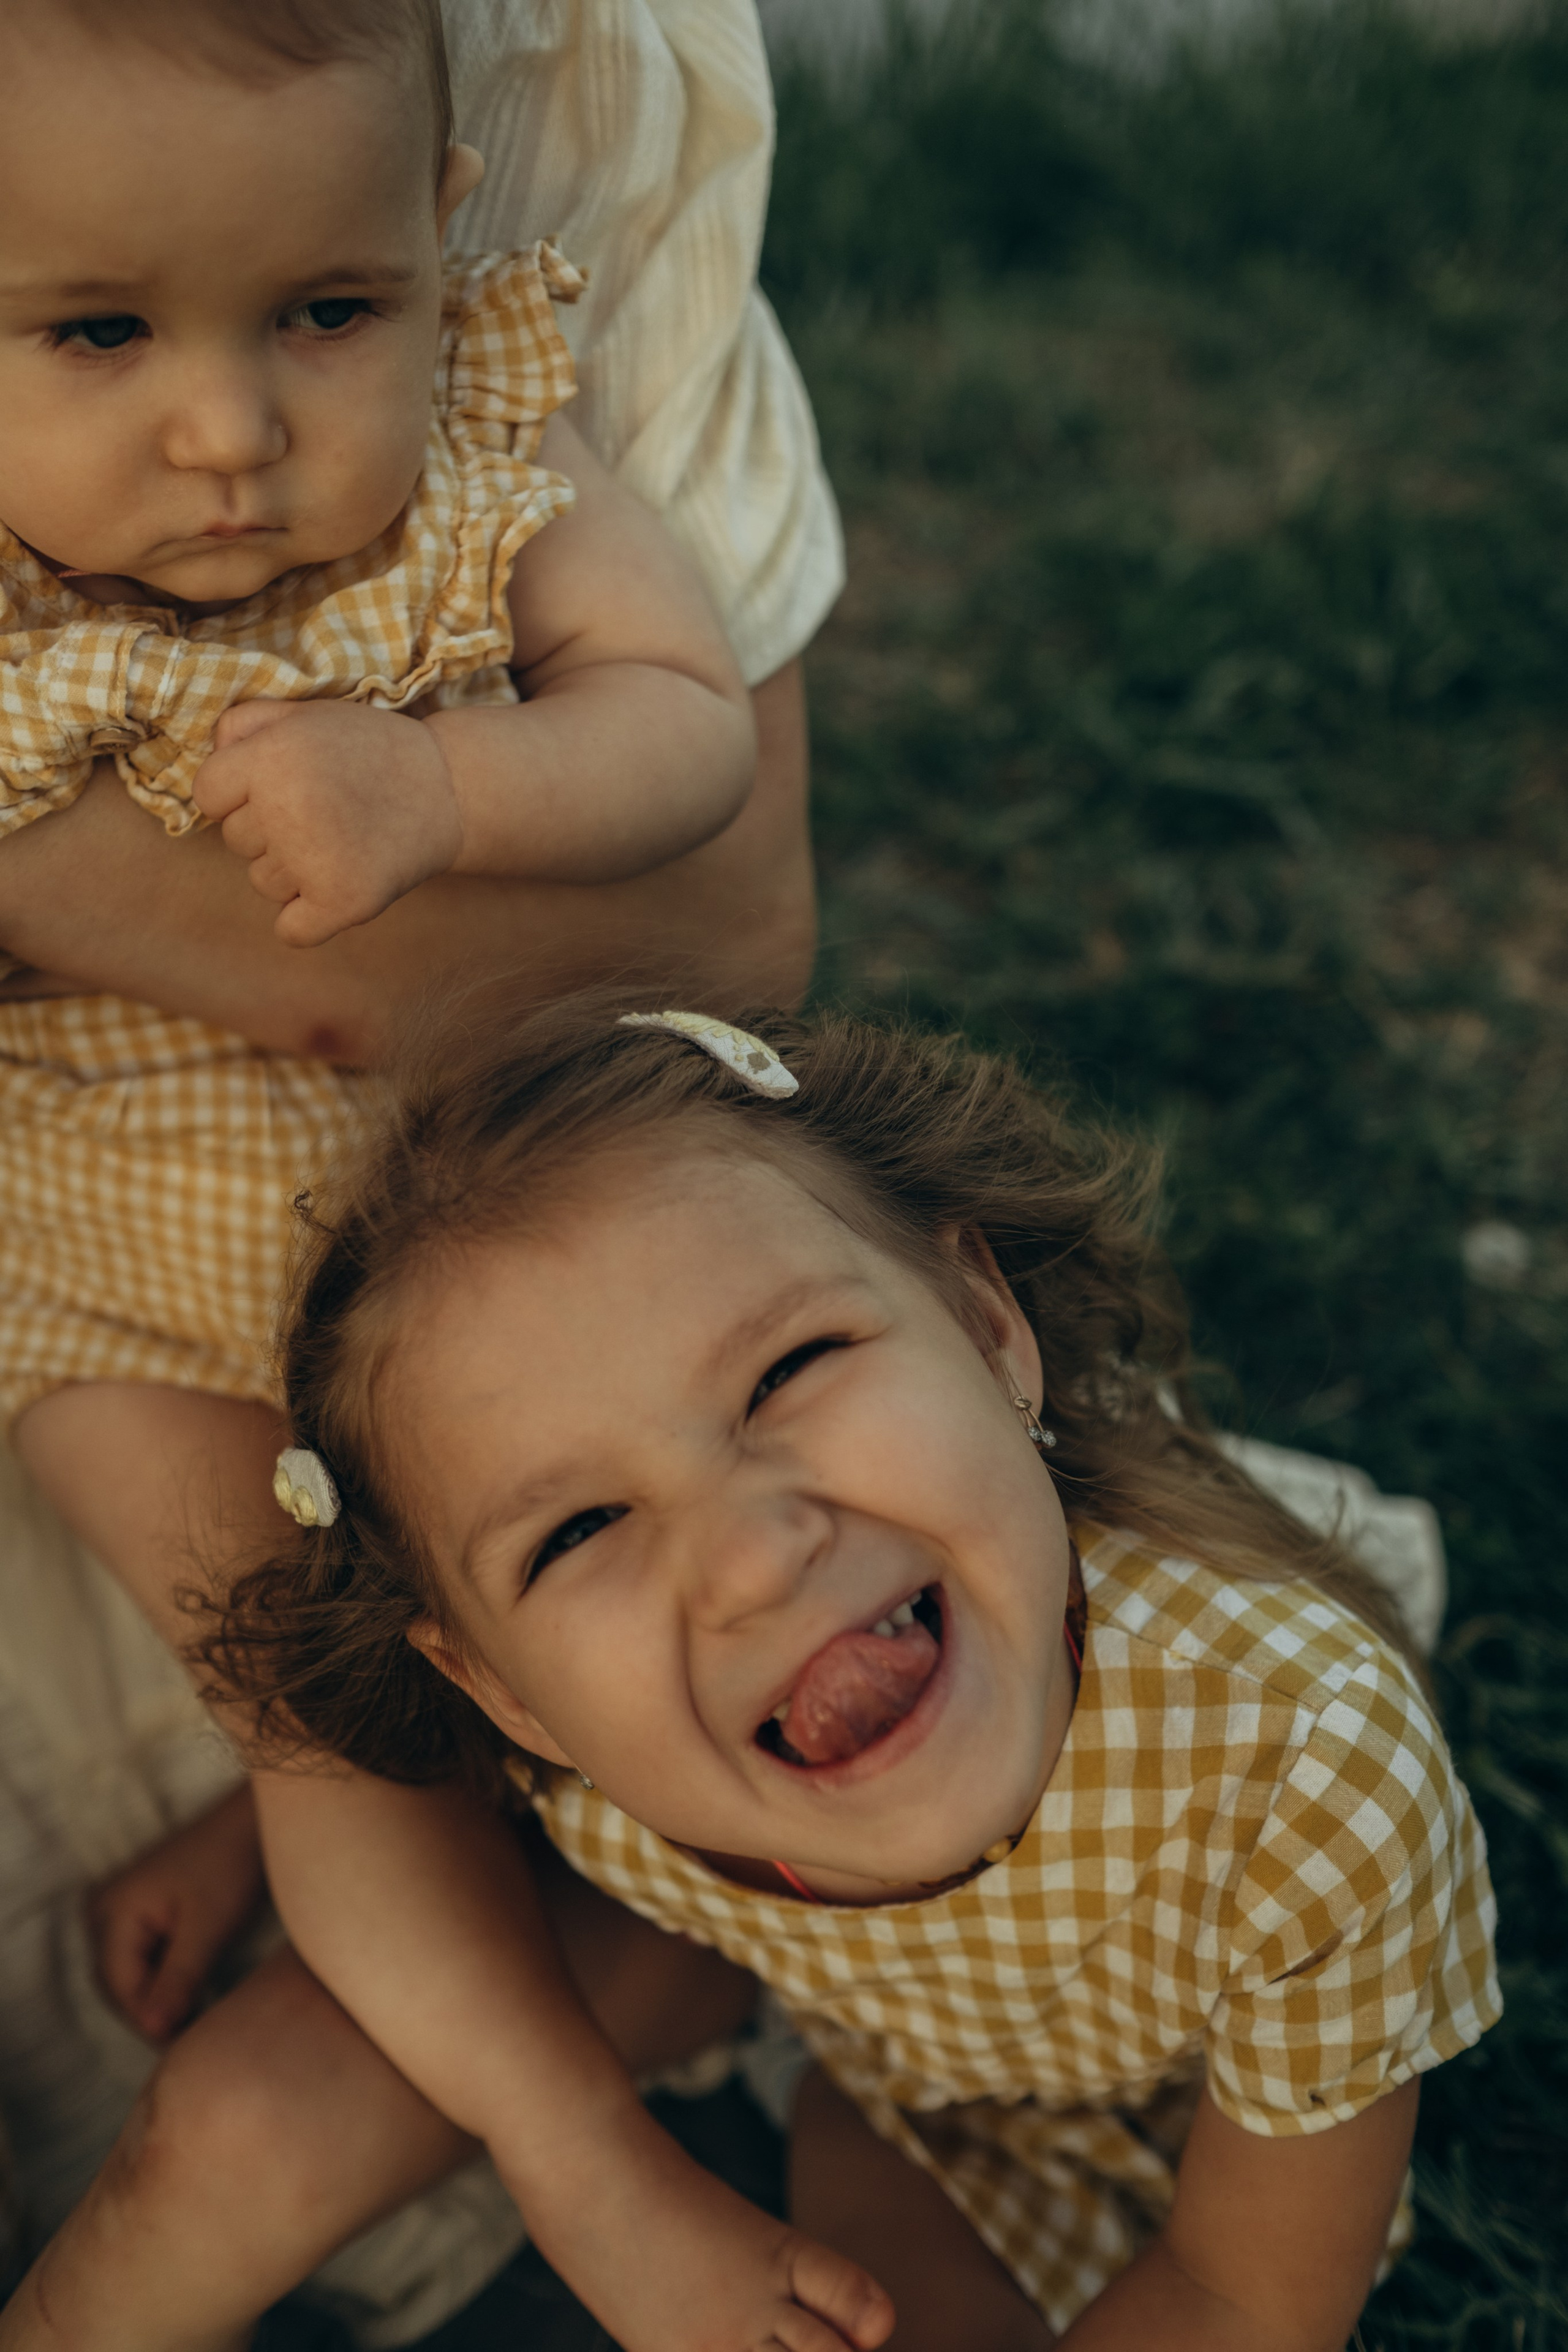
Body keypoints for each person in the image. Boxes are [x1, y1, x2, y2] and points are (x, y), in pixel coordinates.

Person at [0, 2, 881, 2346]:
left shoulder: (492, 418)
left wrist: (448, 793)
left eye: (325, 309)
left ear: (439, 223)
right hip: (102, 1266)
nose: (230, 431)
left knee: (616, 1601)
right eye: (99, 333)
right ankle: (580, 2154)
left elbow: (685, 732)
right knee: (315, 1717)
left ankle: (763, 1981)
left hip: (459, 1225)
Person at [191, 990, 1501, 2352]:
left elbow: (1243, 2297)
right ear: (505, 1695)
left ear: (986, 1326)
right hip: (910, 2097)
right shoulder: (599, 1770)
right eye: (579, 1530)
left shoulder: (1303, 1773)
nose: (754, 1561)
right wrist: (236, 1833)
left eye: (788, 1370)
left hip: (1205, 2108)